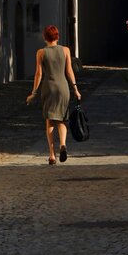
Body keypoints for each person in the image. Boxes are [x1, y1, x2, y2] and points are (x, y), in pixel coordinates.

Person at [26, 25, 81, 165]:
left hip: (48, 87)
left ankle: (52, 155)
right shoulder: (66, 50)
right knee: (62, 119)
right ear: (57, 37)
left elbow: (38, 74)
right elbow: (69, 71)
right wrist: (75, 89)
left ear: (45, 37)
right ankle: (63, 144)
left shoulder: (41, 53)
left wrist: (33, 93)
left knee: (50, 120)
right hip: (63, 87)